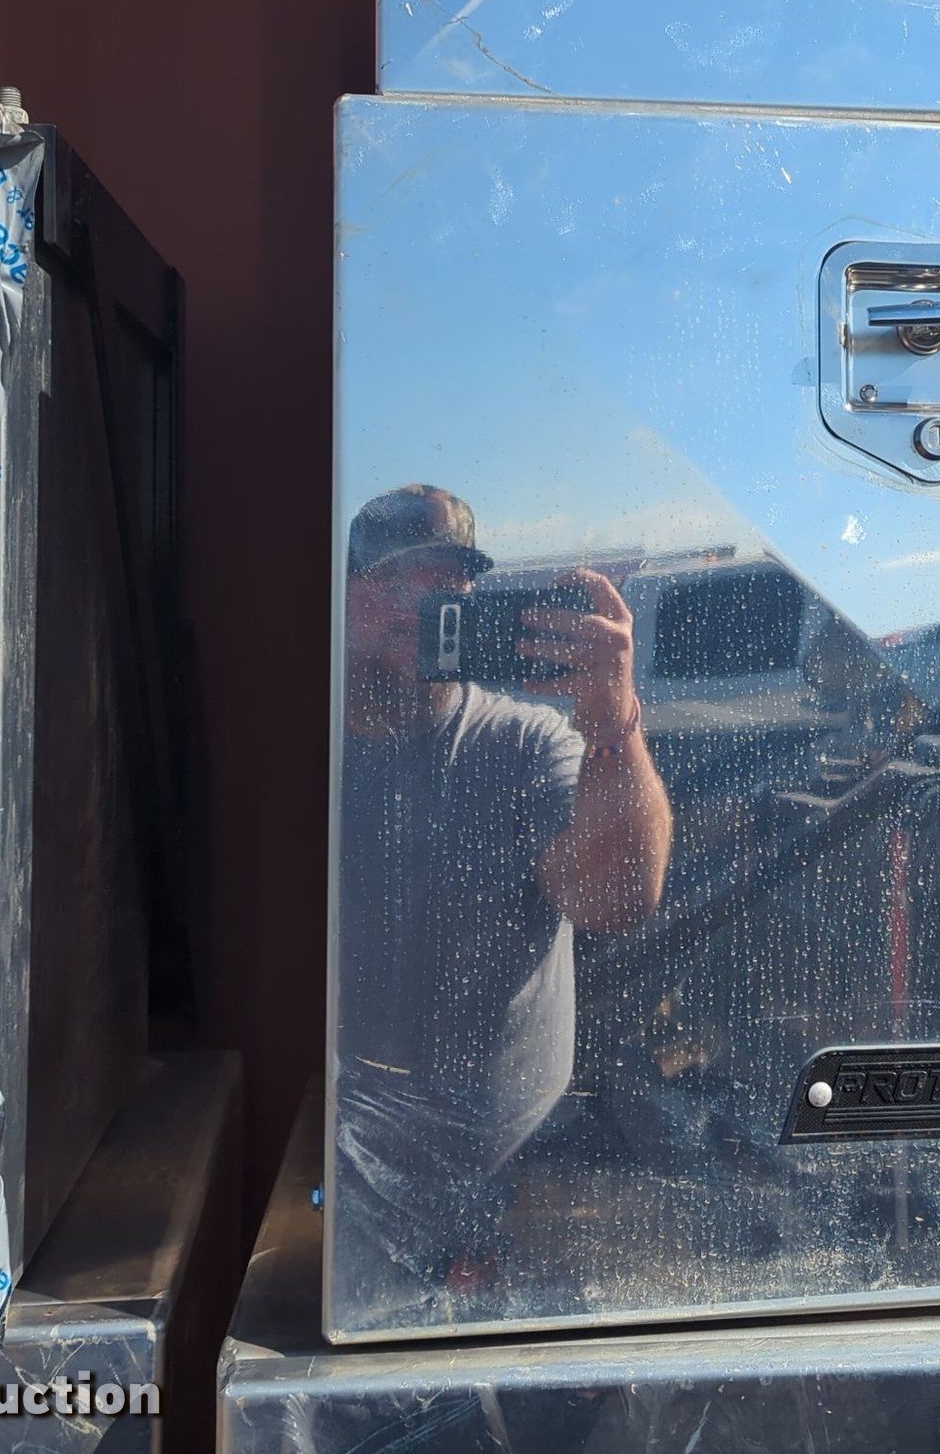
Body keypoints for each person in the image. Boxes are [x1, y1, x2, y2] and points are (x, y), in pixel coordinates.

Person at [333, 485, 673, 1309]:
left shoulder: (524, 741)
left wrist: (612, 718)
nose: (426, 605)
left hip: (516, 1175)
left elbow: (615, 898)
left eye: (449, 583)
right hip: (342, 1174)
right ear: (340, 600)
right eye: (395, 580)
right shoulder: (300, 744)